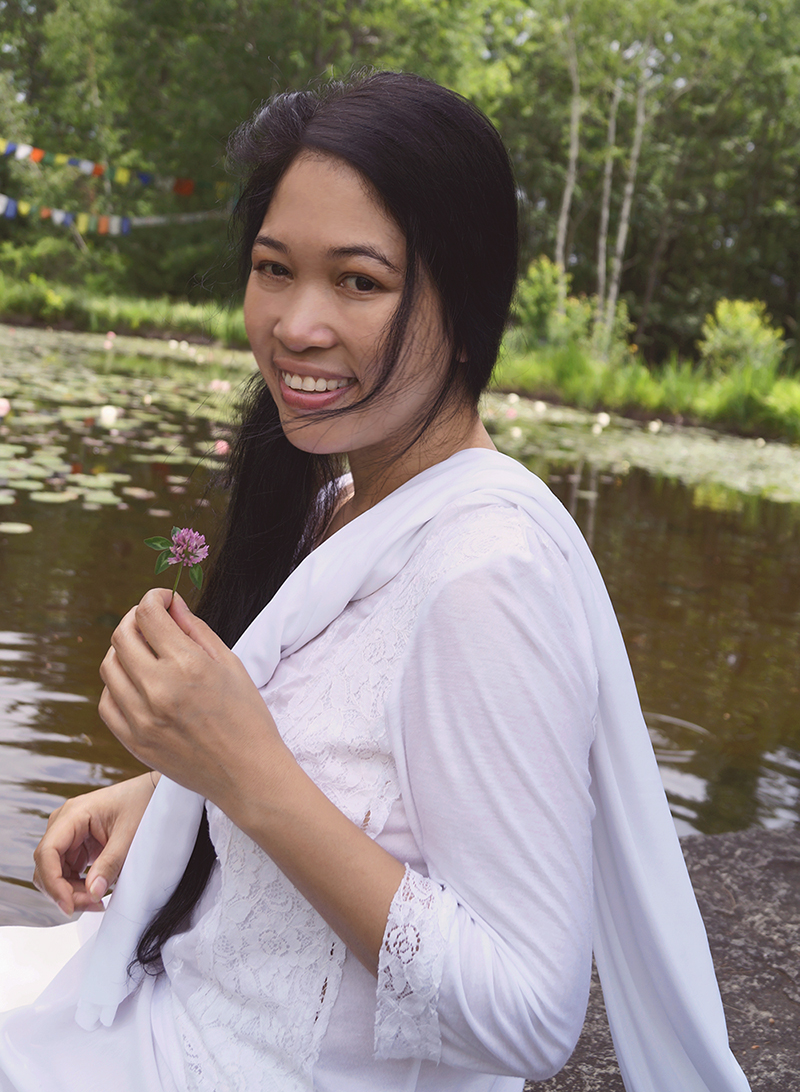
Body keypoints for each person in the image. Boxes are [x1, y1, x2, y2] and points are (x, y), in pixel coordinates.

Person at [0, 72, 750, 1092]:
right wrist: (168, 790)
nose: (297, 324)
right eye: (274, 268)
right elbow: (359, 770)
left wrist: (241, 775)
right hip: (177, 1012)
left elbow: (530, 1018)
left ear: (466, 294)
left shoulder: (483, 579)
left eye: (358, 281)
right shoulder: (338, 504)